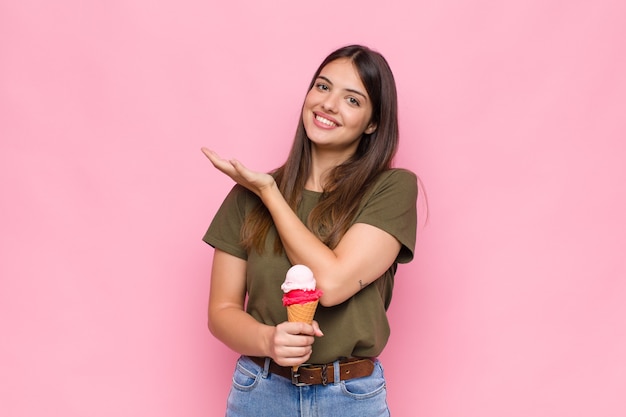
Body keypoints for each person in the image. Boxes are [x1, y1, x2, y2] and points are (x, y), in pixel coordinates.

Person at [201, 44, 418, 417]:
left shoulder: (392, 189)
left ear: (372, 123)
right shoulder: (245, 197)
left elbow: (331, 283)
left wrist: (271, 193)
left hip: (351, 399)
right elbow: (221, 311)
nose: (329, 104)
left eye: (352, 99)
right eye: (322, 87)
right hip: (260, 393)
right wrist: (267, 340)